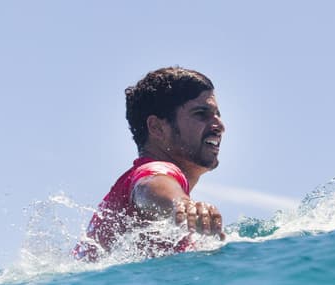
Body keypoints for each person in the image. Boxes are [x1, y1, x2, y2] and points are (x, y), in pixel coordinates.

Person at [74, 66, 226, 261]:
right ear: (157, 127)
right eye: (201, 114)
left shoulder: (131, 183)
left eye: (217, 114)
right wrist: (181, 204)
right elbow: (149, 187)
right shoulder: (153, 171)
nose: (219, 126)